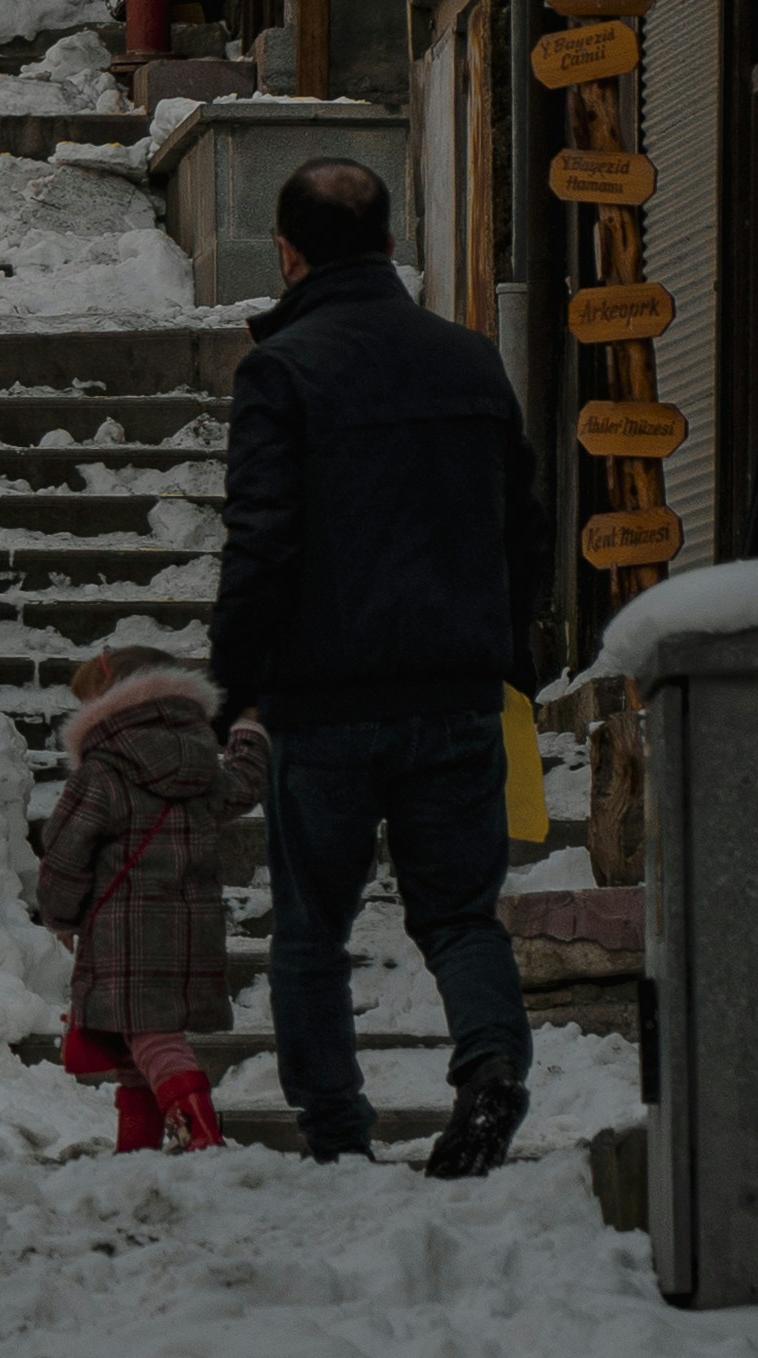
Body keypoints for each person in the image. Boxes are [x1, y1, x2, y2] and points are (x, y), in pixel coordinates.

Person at [209, 154, 542, 1177]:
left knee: (313, 921)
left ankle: (335, 1128)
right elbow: (521, 528)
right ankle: (489, 1063)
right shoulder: (472, 360)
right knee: (458, 912)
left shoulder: (282, 369)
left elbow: (261, 538)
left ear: (287, 250)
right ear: (394, 245)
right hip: (453, 689)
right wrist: (507, 652)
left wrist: (238, 678)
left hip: (326, 700)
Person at [29, 640, 260, 1151]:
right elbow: (245, 784)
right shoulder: (202, 767)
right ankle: (135, 1155)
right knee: (137, 1051)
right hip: (191, 933)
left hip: (123, 934)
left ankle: (202, 1140)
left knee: (154, 1041)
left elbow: (65, 853)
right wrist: (248, 728)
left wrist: (62, 917)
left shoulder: (103, 772)